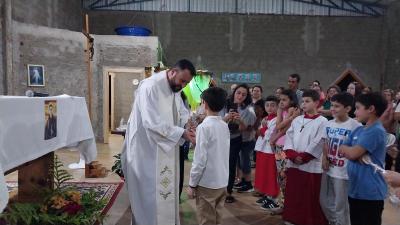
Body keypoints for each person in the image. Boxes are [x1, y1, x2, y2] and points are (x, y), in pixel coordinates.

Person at [121, 59, 197, 225]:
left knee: (164, 192)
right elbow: (151, 122)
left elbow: (181, 110)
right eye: (182, 81)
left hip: (165, 147)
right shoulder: (150, 87)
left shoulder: (175, 87)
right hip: (145, 150)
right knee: (149, 194)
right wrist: (182, 133)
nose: (183, 85)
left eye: (187, 83)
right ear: (172, 72)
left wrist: (188, 123)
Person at [338, 92, 388, 225]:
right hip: (356, 189)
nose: (355, 112)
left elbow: (353, 153)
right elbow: (342, 148)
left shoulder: (376, 130)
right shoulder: (359, 130)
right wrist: (352, 152)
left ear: (371, 109)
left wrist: (352, 152)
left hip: (370, 193)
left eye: (358, 108)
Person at [282, 89, 328, 225]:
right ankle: (292, 217)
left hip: (310, 164)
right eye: (302, 101)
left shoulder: (323, 121)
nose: (304, 104)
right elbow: (289, 137)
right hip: (294, 163)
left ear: (317, 103)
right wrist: (291, 154)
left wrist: (304, 156)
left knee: (308, 195)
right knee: (294, 193)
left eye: (307, 101)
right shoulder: (297, 120)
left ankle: (307, 220)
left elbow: (320, 141)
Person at [187, 87, 230, 225]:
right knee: (218, 218)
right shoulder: (224, 125)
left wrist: (192, 184)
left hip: (207, 183)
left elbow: (200, 160)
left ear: (204, 103)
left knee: (206, 220)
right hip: (222, 180)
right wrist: (197, 139)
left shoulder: (204, 127)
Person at [319, 92, 361, 225]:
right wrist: (325, 157)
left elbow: (358, 149)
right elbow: (325, 142)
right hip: (328, 168)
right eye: (332, 105)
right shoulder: (328, 123)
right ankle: (334, 222)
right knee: (324, 201)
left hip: (343, 172)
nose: (332, 109)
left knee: (340, 206)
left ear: (348, 109)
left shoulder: (355, 126)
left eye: (337, 106)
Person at [224, 84, 256, 203]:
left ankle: (228, 191)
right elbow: (217, 122)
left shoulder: (247, 109)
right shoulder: (225, 103)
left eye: (244, 94)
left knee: (231, 165)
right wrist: (227, 117)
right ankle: (218, 188)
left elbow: (243, 128)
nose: (240, 96)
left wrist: (240, 120)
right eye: (238, 93)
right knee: (220, 164)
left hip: (235, 139)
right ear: (234, 92)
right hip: (222, 138)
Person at [254, 95, 280, 210]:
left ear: (278, 106)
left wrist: (263, 128)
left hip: (270, 151)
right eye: (267, 105)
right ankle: (267, 195)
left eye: (273, 105)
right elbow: (259, 133)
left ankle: (273, 198)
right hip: (262, 149)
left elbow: (269, 135)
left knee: (271, 175)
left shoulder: (277, 119)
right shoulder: (266, 118)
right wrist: (262, 129)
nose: (270, 108)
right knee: (263, 174)